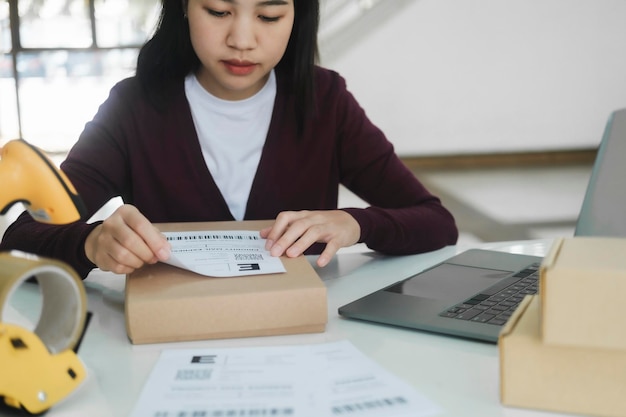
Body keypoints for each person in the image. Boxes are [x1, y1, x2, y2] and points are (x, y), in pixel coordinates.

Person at [0, 0, 458, 279]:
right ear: (183, 5)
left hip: (300, 335)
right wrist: (90, 243)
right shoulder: (133, 107)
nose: (242, 39)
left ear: (298, 15)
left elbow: (436, 222)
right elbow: (19, 236)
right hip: (170, 340)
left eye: (270, 14)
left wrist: (353, 224)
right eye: (219, 11)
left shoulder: (325, 100)